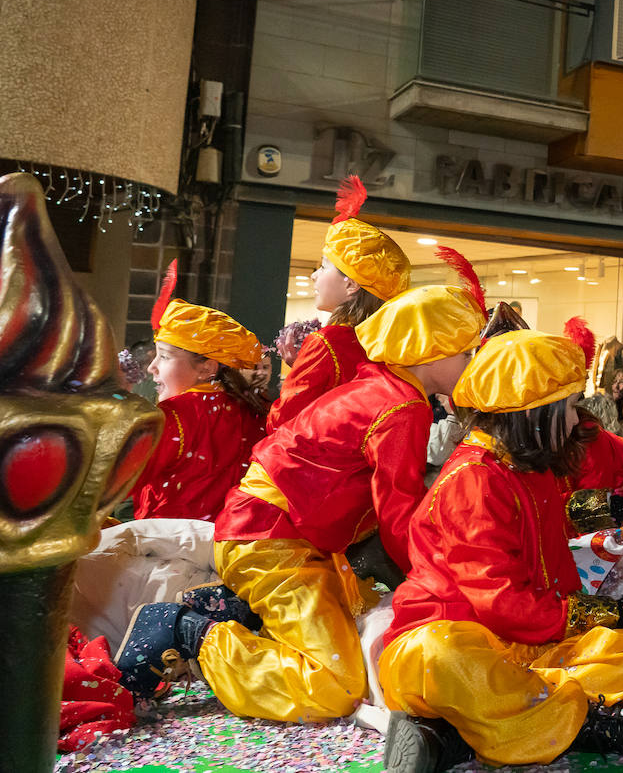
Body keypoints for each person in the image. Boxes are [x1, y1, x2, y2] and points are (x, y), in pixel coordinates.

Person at [113, 283, 487, 724]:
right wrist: (441, 581)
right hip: (270, 542)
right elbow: (397, 513)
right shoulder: (400, 406)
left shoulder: (380, 387)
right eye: (465, 353)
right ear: (430, 350)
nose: (470, 365)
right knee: (333, 687)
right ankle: (186, 631)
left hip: (274, 536)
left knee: (357, 642)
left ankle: (228, 610)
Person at [379, 328, 623, 770]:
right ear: (532, 413)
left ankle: (454, 736)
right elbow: (503, 605)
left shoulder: (526, 466)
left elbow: (550, 519)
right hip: (455, 641)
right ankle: (600, 726)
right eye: (569, 408)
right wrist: (616, 610)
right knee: (444, 658)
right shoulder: (472, 480)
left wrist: (616, 507)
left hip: (527, 649)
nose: (576, 422)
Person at [266, 175, 411, 431]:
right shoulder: (389, 345)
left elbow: (282, 421)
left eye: (322, 267)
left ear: (352, 284)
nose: (313, 275)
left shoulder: (327, 342)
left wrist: (300, 370)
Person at [130, 262, 267, 524]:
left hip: (166, 550)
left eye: (165, 357)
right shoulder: (257, 408)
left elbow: (118, 482)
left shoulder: (175, 415)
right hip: (230, 549)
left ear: (207, 368)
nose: (152, 367)